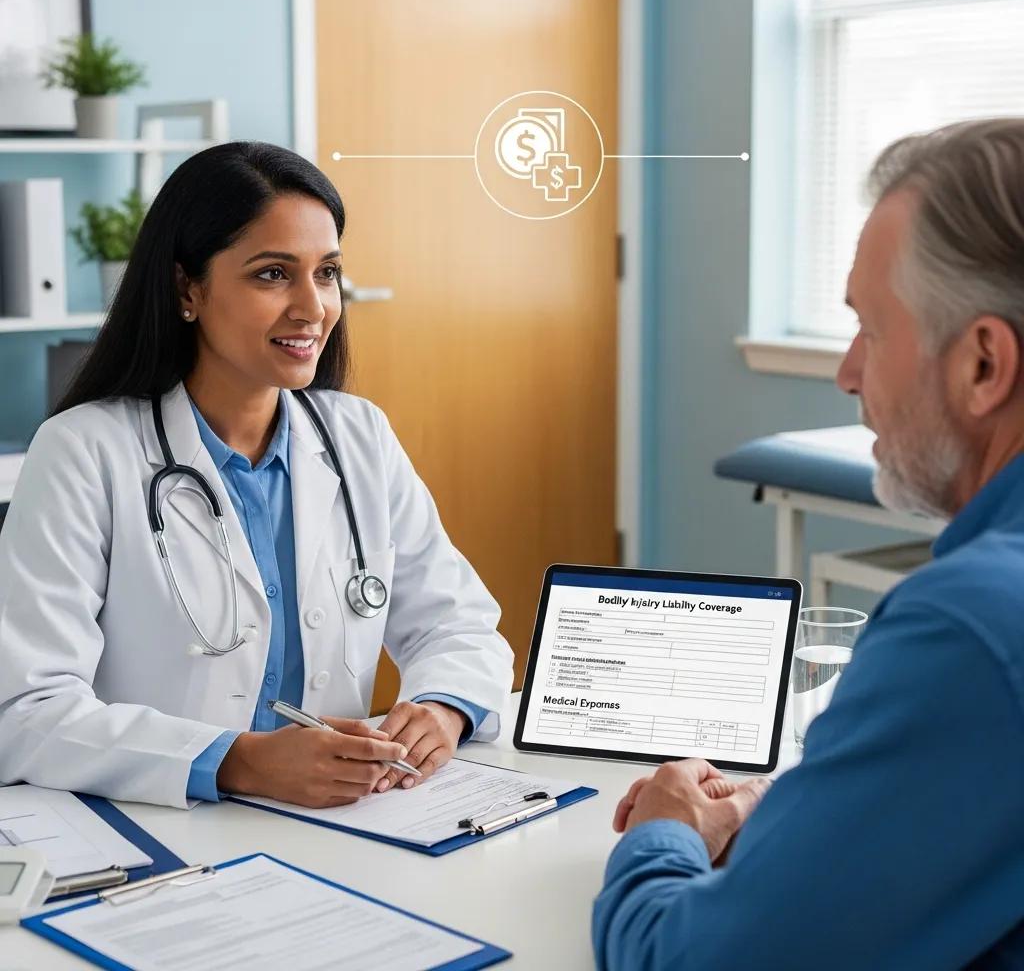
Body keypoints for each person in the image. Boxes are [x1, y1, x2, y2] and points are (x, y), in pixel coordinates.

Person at [593, 118, 1024, 969]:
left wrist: (661, 838)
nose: (848, 371)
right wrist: (791, 804)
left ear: (983, 364)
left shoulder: (970, 624)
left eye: (870, 327)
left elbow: (687, 961)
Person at [0, 141, 513, 810]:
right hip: (162, 831)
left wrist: (442, 708)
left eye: (326, 273)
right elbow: (25, 708)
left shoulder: (357, 435)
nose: (313, 307)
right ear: (188, 287)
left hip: (347, 821)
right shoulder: (82, 452)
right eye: (273, 275)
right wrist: (237, 761)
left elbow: (460, 626)